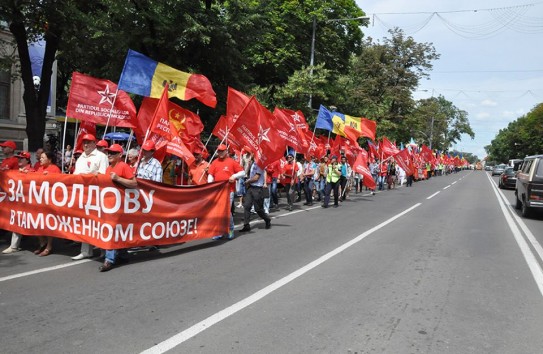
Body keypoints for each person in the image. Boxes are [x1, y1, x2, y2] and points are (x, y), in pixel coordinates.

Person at [99, 144, 137, 272]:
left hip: (120, 205)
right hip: (109, 204)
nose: (109, 155)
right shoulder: (108, 168)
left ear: (120, 155)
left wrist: (118, 178)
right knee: (117, 230)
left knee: (110, 230)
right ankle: (123, 255)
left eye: (113, 153)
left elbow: (134, 183)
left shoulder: (124, 166)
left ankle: (109, 260)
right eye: (109, 152)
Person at [71, 134, 109, 260]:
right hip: (83, 195)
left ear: (94, 143)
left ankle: (104, 250)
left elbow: (103, 176)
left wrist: (88, 176)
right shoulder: (81, 157)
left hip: (96, 195)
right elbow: (76, 175)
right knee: (85, 223)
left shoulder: (101, 157)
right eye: (84, 142)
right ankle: (86, 251)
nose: (86, 145)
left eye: (88, 142)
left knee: (99, 222)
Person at [207, 144, 245, 239]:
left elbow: (242, 172)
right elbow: (210, 175)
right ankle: (220, 231)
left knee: (226, 210)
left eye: (222, 151)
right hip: (217, 191)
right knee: (218, 211)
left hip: (229, 190)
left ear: (226, 151)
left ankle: (230, 229)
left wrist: (234, 176)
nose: (220, 153)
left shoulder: (231, 162)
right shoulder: (215, 162)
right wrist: (209, 184)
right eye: (219, 151)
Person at [2, 152, 35, 254]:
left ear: (27, 160)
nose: (19, 160)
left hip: (29, 203)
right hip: (19, 202)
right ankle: (14, 246)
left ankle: (45, 244)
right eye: (18, 158)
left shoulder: (32, 171)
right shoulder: (16, 171)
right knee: (16, 220)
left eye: (22, 158)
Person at [33, 151, 62, 256]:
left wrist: (50, 176)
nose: (40, 159)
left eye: (43, 157)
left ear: (49, 160)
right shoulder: (40, 168)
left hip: (49, 201)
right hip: (39, 201)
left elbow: (59, 183)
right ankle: (42, 243)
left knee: (48, 224)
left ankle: (49, 246)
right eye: (40, 157)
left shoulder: (55, 169)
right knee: (37, 222)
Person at [239, 153, 271, 232]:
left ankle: (267, 219)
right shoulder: (253, 163)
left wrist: (247, 182)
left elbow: (256, 177)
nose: (251, 155)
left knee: (258, 209)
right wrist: (248, 165)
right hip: (251, 188)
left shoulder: (260, 164)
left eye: (253, 154)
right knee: (247, 206)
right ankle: (246, 225)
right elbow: (247, 173)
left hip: (257, 189)